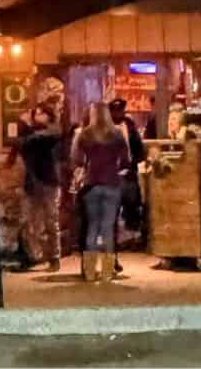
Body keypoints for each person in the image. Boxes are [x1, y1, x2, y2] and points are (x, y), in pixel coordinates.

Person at [71, 101, 130, 282]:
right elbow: (126, 159)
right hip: (112, 183)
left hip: (91, 184)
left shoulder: (85, 134)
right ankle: (106, 273)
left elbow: (76, 159)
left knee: (92, 227)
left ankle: (89, 273)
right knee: (107, 229)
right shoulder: (117, 133)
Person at [7, 105, 63, 273]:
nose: (36, 115)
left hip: (47, 182)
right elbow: (20, 145)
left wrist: (28, 126)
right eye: (35, 112)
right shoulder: (29, 136)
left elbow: (41, 138)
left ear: (48, 116)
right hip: (32, 183)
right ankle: (31, 256)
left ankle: (54, 257)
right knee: (27, 221)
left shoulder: (51, 132)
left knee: (50, 221)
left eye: (41, 113)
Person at [109, 98, 146, 271]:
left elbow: (138, 148)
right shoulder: (105, 129)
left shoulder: (129, 125)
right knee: (112, 218)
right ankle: (113, 257)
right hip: (110, 177)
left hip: (128, 174)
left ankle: (131, 238)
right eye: (115, 110)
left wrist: (137, 163)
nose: (119, 113)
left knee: (132, 208)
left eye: (121, 110)